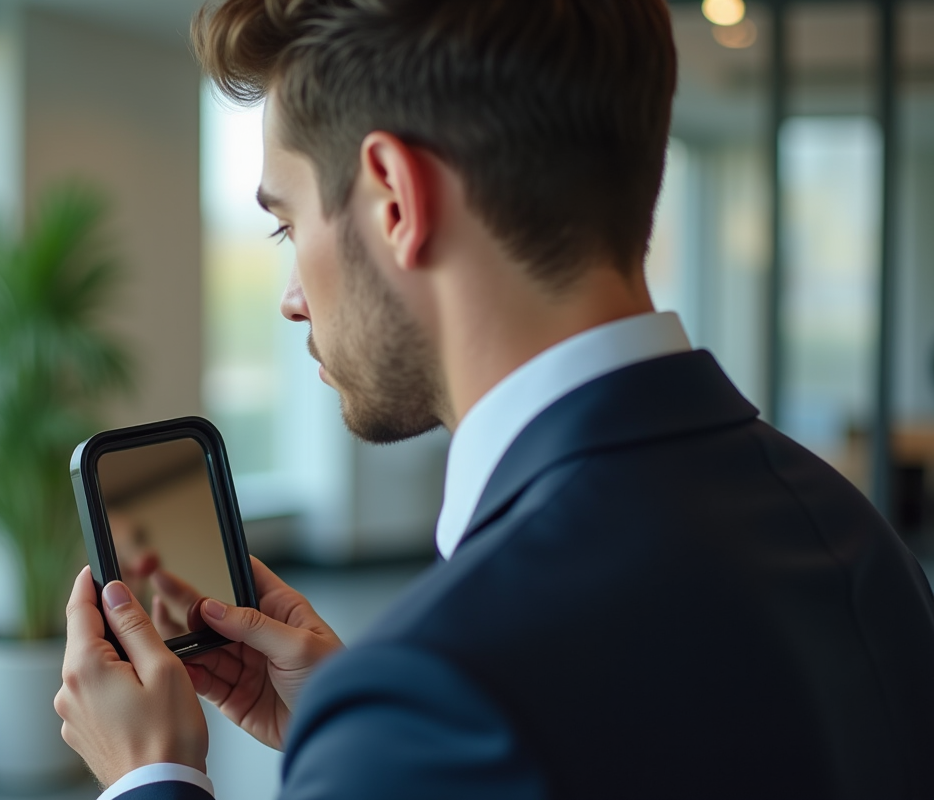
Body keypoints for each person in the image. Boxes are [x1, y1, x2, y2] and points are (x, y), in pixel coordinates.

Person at [53, 0, 934, 797]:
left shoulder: (438, 700)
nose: (289, 294)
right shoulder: (859, 540)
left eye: (288, 225)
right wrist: (352, 728)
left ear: (395, 198)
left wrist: (153, 780)